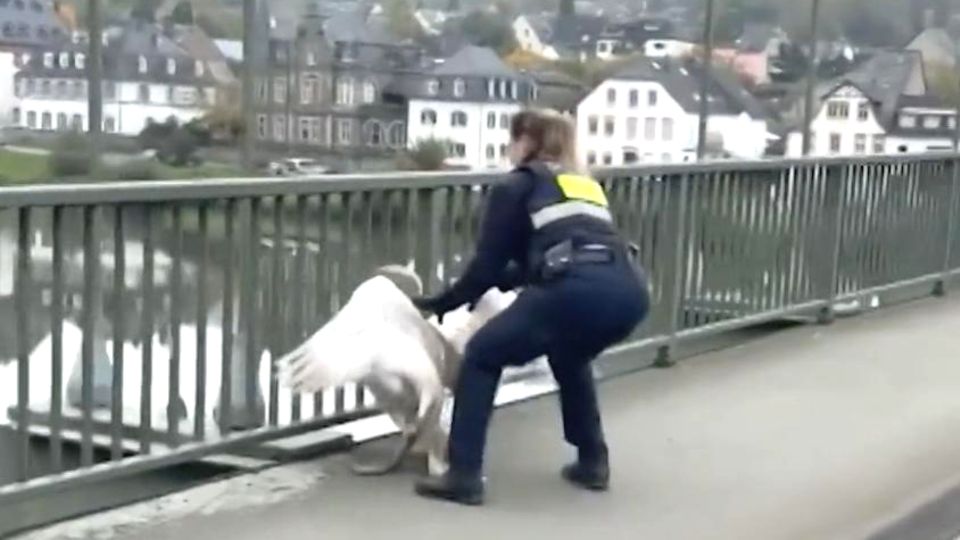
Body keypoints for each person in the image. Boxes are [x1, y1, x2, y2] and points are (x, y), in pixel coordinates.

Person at [412, 110, 650, 506]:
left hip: (576, 288)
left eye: (513, 138)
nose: (509, 147)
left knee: (482, 356)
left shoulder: (515, 185)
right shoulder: (582, 185)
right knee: (569, 355)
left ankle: (464, 475)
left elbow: (487, 264)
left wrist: (444, 301)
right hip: (630, 291)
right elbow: (548, 254)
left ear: (526, 140)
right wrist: (506, 280)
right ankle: (593, 462)